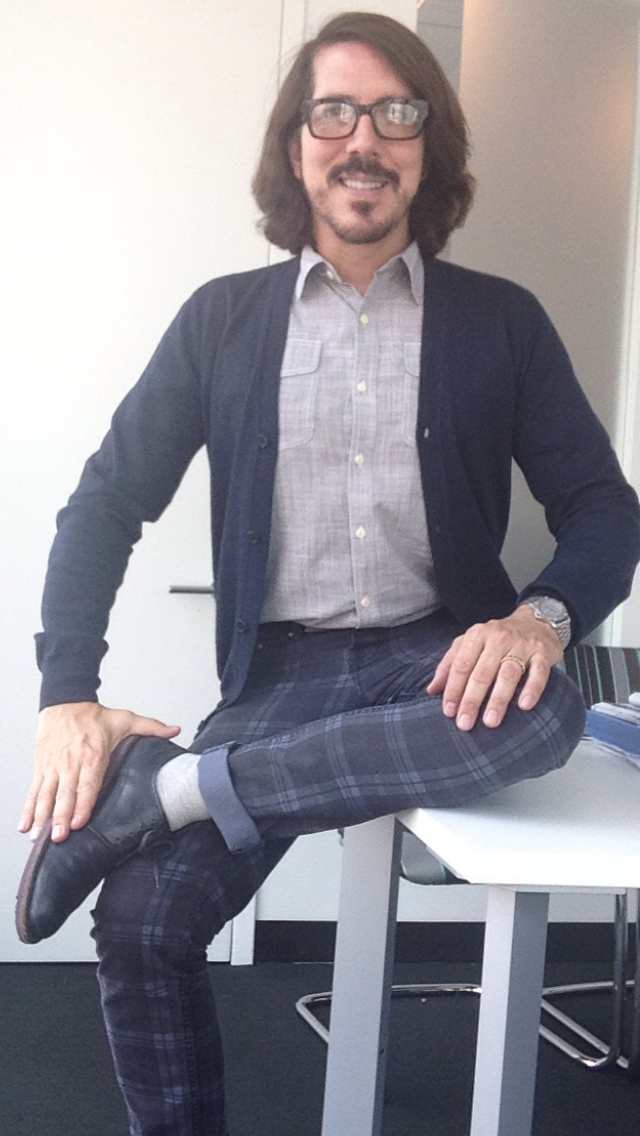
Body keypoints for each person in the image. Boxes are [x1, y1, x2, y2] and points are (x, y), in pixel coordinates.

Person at [16, 10, 640, 1135]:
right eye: (334, 112)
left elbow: (604, 506)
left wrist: (539, 618)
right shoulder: (221, 322)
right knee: (142, 926)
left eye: (397, 112)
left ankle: (166, 786)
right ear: (295, 145)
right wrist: (68, 692)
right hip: (282, 676)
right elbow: (104, 503)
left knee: (543, 708)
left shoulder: (501, 321)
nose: (364, 139)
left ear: (428, 146)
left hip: (438, 654)